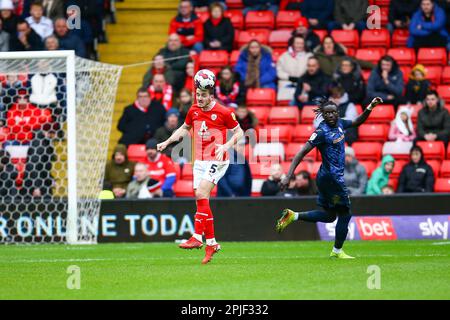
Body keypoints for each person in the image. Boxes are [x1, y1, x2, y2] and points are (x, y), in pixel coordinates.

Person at [275, 96, 384, 259]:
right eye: (327, 113)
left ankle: (294, 215)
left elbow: (356, 121)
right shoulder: (321, 132)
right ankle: (337, 251)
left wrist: (370, 107)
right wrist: (288, 176)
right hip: (331, 179)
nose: (331, 115)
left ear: (337, 112)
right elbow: (300, 153)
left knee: (330, 215)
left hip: (327, 178)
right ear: (323, 115)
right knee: (345, 214)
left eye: (333, 112)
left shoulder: (340, 123)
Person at [156, 71, 243, 264]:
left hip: (218, 158)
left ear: (211, 94)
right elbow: (184, 128)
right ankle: (211, 243)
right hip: (200, 160)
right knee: (202, 200)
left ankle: (197, 237)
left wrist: (226, 146)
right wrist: (167, 142)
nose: (200, 98)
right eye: (198, 94)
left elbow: (240, 132)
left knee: (201, 193)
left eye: (204, 95)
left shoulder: (224, 112)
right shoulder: (193, 110)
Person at [21, 124, 58, 198]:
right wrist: (36, 187)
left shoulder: (44, 143)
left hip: (41, 182)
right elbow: (32, 166)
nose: (56, 136)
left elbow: (43, 168)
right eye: (54, 133)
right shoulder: (38, 144)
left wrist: (51, 180)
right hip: (35, 184)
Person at [276, 35, 313, 102]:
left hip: (303, 84)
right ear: (293, 44)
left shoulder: (309, 56)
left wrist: (301, 79)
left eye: (301, 43)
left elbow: (312, 70)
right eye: (297, 43)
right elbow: (279, 71)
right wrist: (289, 77)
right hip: (286, 83)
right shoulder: (284, 56)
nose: (299, 45)